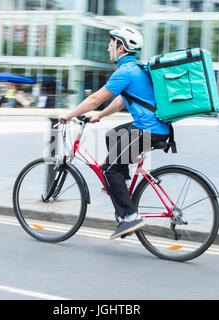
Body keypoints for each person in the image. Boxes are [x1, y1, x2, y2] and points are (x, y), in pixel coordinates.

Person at [58, 26, 171, 240]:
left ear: (121, 47)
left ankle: (129, 217)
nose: (108, 48)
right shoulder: (135, 69)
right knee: (114, 134)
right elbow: (121, 100)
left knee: (108, 168)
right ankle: (119, 185)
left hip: (148, 130)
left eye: (111, 45)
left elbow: (95, 99)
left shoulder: (125, 71)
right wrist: (99, 116)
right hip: (155, 128)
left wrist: (69, 114)